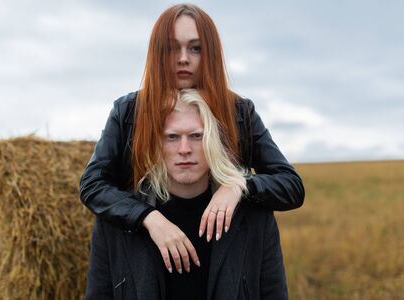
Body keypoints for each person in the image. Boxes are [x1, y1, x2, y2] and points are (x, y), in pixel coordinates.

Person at [80, 3, 304, 277]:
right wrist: (148, 218)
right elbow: (92, 185)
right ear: (158, 54)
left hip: (221, 253)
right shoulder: (129, 112)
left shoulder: (239, 112)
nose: (183, 58)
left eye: (195, 48)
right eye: (173, 48)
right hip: (146, 257)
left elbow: (291, 186)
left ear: (209, 53)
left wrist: (237, 186)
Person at [85, 89, 288, 299]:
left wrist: (238, 186)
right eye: (172, 137)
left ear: (213, 142)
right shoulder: (116, 222)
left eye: (196, 136)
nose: (184, 149)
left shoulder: (255, 217)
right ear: (157, 145)